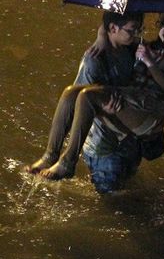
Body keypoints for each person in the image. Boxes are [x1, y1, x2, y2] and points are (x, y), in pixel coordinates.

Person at [27, 12, 164, 193]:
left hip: (151, 110)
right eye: (162, 23)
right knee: (70, 93)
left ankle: (67, 162)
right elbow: (115, 26)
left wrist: (149, 62)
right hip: (130, 100)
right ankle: (50, 155)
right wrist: (101, 37)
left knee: (88, 96)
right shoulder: (145, 46)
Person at [24, 10, 143, 176]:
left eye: (138, 29)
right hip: (103, 144)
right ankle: (53, 156)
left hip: (123, 136)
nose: (136, 35)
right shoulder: (95, 59)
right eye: (132, 30)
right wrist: (104, 111)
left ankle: (55, 157)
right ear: (113, 29)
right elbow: (80, 104)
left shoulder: (129, 49)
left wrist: (102, 32)